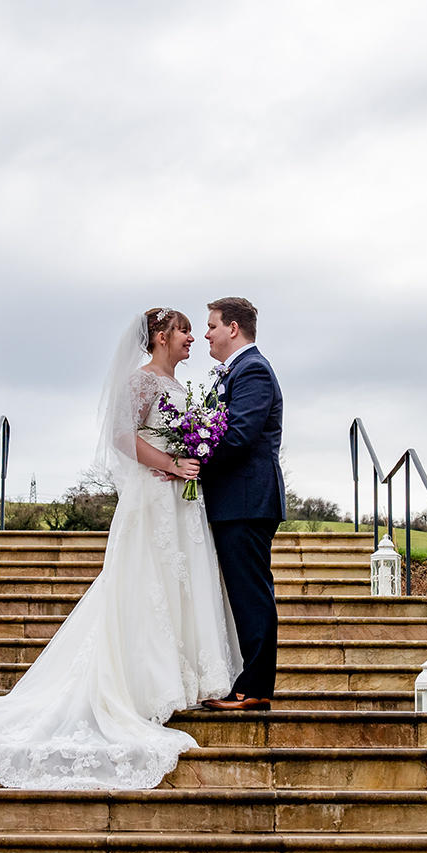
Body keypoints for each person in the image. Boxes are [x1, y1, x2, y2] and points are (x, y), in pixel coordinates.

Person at [0, 307, 242, 789]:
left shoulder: (182, 389)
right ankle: (147, 681)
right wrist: (171, 463)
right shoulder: (141, 382)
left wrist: (193, 455)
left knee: (180, 579)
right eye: (185, 330)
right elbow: (122, 437)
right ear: (161, 336)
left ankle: (185, 675)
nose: (192, 338)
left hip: (181, 499)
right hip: (153, 497)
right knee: (145, 581)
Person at [198, 297, 286, 712]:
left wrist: (190, 459)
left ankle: (255, 689)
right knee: (244, 592)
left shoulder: (252, 370)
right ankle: (248, 683)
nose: (205, 334)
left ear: (233, 328)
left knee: (251, 593)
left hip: (246, 501)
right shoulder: (234, 372)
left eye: (212, 325)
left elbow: (239, 436)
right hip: (234, 501)